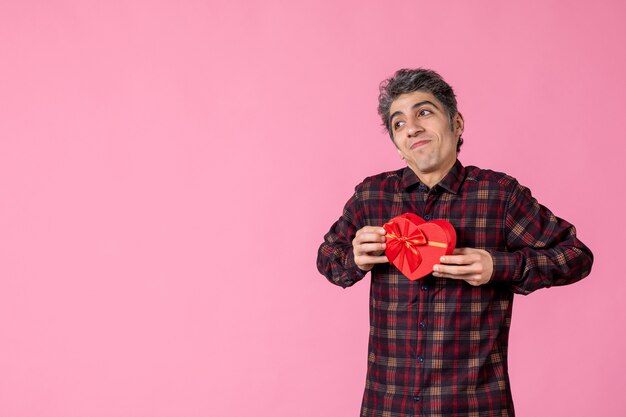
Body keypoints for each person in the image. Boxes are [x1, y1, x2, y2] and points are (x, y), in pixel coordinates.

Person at [316, 68, 593, 417]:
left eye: (424, 112)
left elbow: (576, 255)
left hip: (474, 406)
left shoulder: (499, 195)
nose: (411, 127)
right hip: (387, 405)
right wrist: (355, 258)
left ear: (457, 123)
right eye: (398, 123)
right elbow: (328, 257)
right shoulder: (372, 195)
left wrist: (500, 266)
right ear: (398, 146)